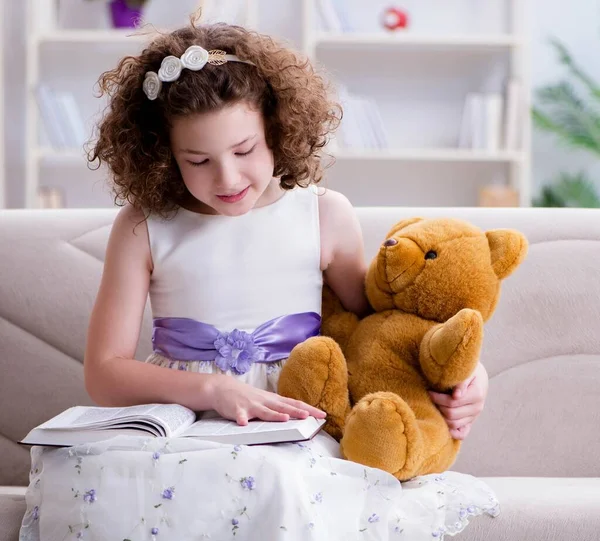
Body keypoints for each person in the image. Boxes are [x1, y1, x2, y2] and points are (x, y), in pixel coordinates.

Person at [20, 17, 497, 541]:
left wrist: (468, 376)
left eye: (244, 151)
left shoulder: (323, 214)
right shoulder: (142, 226)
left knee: (275, 481)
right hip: (182, 412)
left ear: (277, 128)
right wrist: (213, 390)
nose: (226, 179)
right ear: (162, 154)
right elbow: (104, 373)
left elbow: (384, 330)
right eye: (197, 160)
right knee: (93, 475)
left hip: (295, 406)